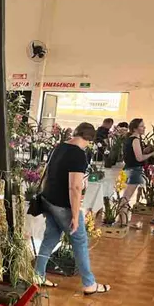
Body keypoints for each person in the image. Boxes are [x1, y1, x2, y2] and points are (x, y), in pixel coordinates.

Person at [34, 122, 110, 295]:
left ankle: (38, 274)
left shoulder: (59, 147)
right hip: (63, 205)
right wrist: (75, 216)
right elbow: (75, 187)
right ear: (90, 140)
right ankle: (89, 284)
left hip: (48, 199)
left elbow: (47, 174)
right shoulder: (78, 155)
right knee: (80, 241)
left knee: (50, 238)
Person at [121, 118, 154, 204]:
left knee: (125, 196)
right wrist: (153, 153)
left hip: (129, 168)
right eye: (142, 126)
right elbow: (139, 158)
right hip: (134, 170)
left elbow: (133, 154)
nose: (144, 128)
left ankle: (122, 216)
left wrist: (145, 151)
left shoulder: (130, 139)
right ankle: (122, 216)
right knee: (126, 197)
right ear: (135, 128)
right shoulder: (135, 140)